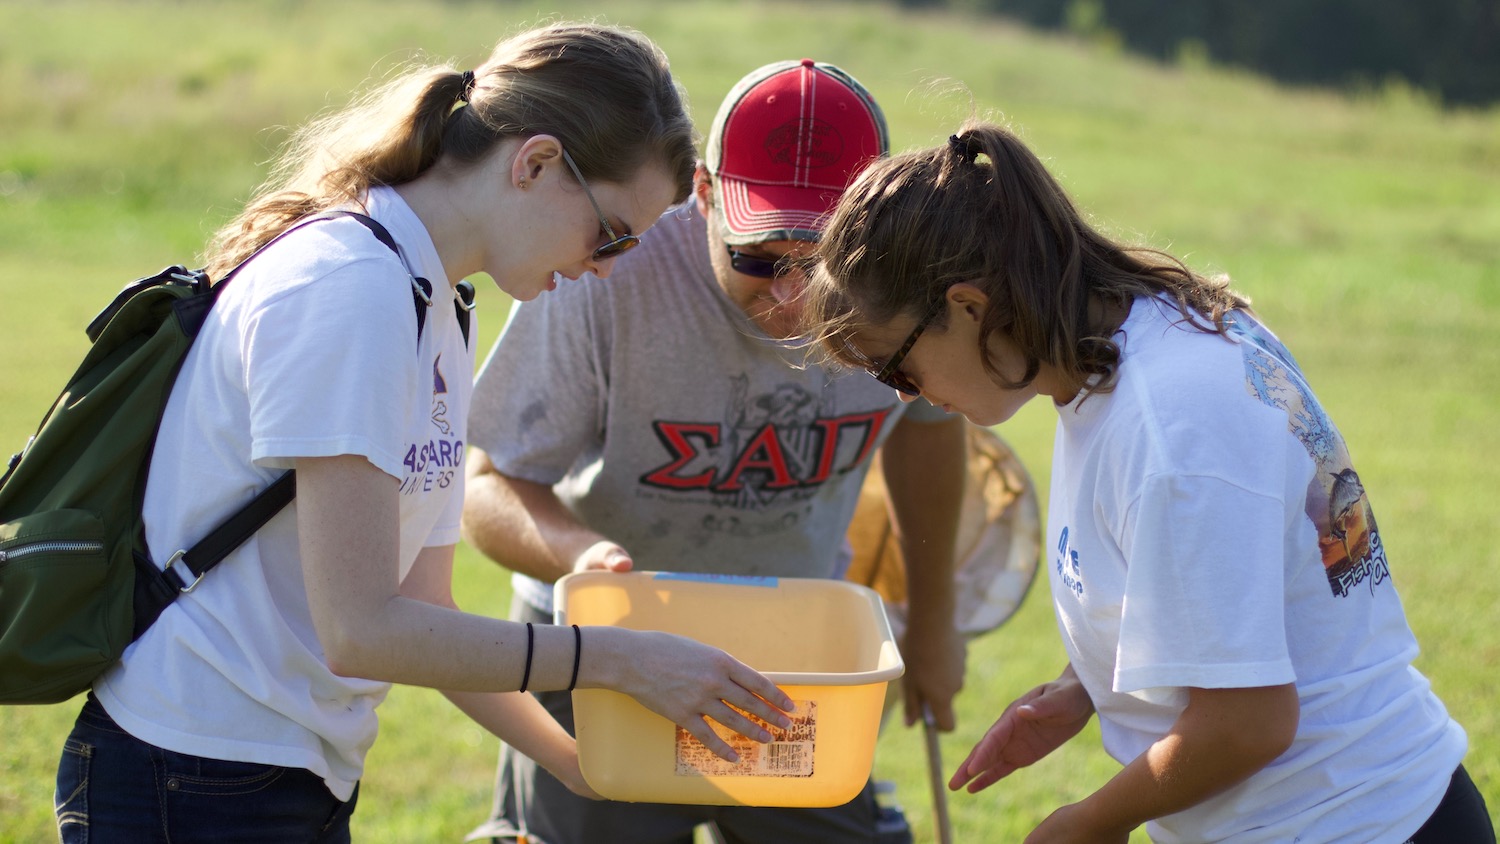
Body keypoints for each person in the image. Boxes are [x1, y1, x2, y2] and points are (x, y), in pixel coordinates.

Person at [52, 23, 798, 843]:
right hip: (191, 773)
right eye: (611, 232)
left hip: (281, 771)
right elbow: (362, 629)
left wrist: (585, 766)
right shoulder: (353, 289)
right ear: (536, 163)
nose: (609, 268)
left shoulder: (433, 298)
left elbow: (423, 610)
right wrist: (620, 659)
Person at [799, 122, 1495, 843]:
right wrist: (1085, 690)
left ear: (968, 307)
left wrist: (1088, 822)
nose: (903, 395)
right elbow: (1222, 595)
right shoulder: (1133, 342)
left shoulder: (1172, 427)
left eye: (895, 366)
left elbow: (1249, 723)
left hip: (1357, 822)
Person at [462, 59, 969, 844]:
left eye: (826, 262)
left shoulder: (904, 286)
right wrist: (581, 557)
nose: (793, 299)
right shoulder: (604, 269)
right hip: (606, 661)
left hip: (795, 669)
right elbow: (492, 483)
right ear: (703, 197)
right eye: (760, 259)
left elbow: (931, 431)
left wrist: (934, 624)